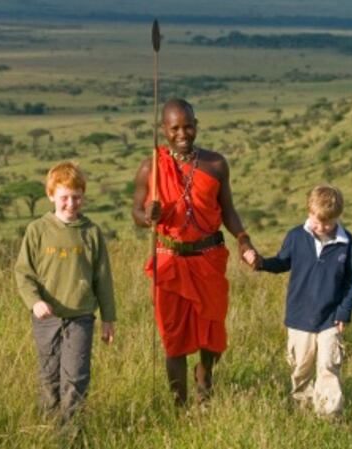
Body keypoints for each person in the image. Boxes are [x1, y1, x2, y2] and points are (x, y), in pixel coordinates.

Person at [132, 99, 257, 406]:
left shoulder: (215, 164)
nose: (182, 133)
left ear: (196, 125)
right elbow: (136, 212)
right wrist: (148, 214)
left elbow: (228, 210)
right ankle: (179, 407)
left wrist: (243, 240)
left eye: (188, 126)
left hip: (208, 259)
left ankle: (205, 379)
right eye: (175, 128)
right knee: (173, 340)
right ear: (164, 130)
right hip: (170, 261)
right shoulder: (151, 167)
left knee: (212, 332)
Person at [14, 161, 116, 423]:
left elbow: (103, 278)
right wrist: (34, 302)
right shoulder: (37, 230)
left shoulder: (91, 232)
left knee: (76, 377)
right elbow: (23, 273)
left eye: (77, 197)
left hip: (81, 316)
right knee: (49, 376)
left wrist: (108, 319)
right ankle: (48, 428)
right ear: (51, 196)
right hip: (46, 318)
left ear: (83, 195)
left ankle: (70, 434)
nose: (71, 203)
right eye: (64, 198)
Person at [248, 185, 352, 417]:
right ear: (309, 212)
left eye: (327, 223)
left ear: (338, 217)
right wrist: (260, 263)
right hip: (299, 317)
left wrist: (344, 312)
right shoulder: (296, 236)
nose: (321, 227)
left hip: (330, 319)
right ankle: (303, 409)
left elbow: (350, 280)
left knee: (328, 367)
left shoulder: (347, 241)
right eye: (317, 221)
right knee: (301, 369)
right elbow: (282, 262)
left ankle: (328, 417)